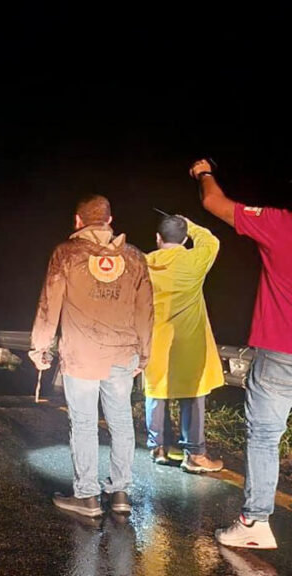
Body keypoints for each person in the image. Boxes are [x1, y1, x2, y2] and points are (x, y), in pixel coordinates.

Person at [29, 194, 154, 517]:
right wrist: (144, 353)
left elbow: (49, 303)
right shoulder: (135, 258)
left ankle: (87, 496)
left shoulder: (66, 254)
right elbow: (145, 311)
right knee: (122, 422)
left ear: (77, 221)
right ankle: (121, 493)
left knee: (83, 424)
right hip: (121, 355)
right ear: (110, 221)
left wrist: (40, 346)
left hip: (81, 356)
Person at [190, 159, 292, 550]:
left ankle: (255, 521)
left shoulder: (280, 222)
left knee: (265, 436)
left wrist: (203, 173)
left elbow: (215, 202)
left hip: (281, 351)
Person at [144, 215, 225, 473]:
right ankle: (195, 455)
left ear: (158, 239)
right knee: (193, 395)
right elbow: (210, 240)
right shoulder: (194, 260)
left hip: (155, 340)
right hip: (189, 341)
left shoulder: (145, 263)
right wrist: (190, 224)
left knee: (156, 393)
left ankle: (160, 448)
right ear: (185, 239)